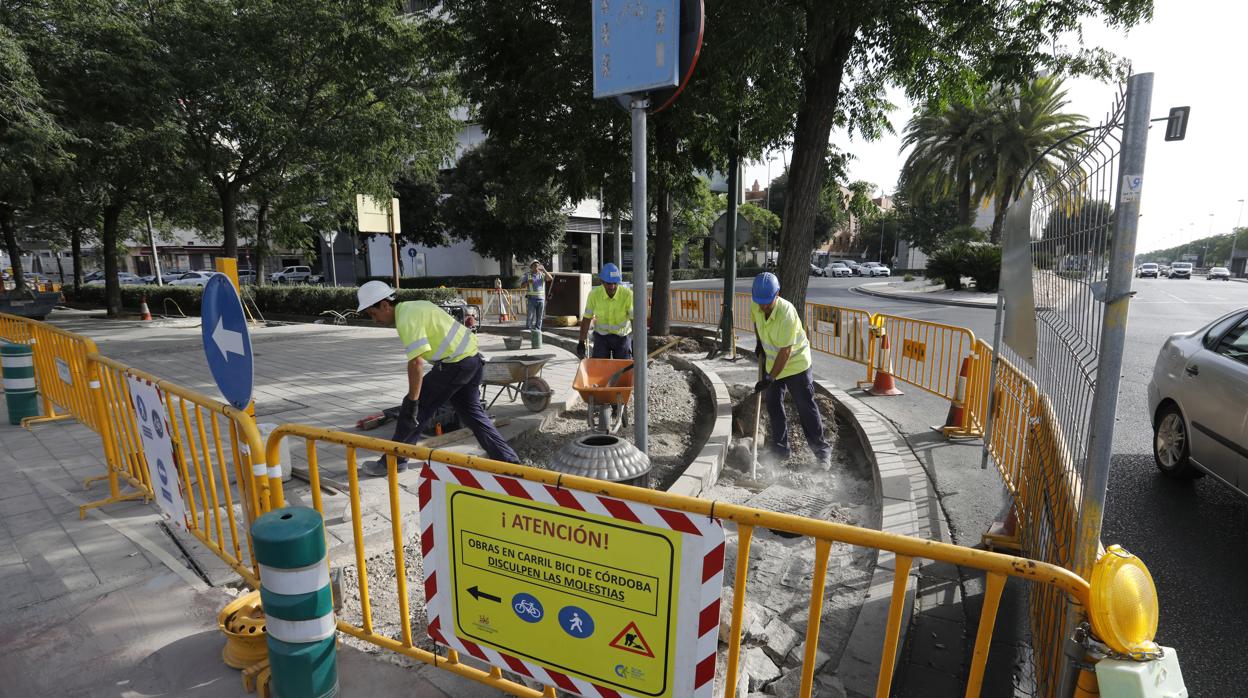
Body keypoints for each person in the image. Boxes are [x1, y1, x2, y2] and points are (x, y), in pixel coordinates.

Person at [356, 281, 520, 476]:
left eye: (373, 314)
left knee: (413, 411)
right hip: (472, 361)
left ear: (384, 305)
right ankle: (510, 462)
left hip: (455, 365)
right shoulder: (416, 306)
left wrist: (413, 400)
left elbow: (416, 363)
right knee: (472, 415)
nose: (375, 320)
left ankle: (393, 461)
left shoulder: (406, 317)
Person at [749, 272, 831, 467]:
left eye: (766, 302)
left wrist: (770, 378)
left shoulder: (787, 313)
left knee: (805, 407)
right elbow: (756, 321)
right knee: (773, 406)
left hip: (796, 365)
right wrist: (759, 342)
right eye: (760, 302)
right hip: (773, 365)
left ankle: (822, 453)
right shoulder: (756, 303)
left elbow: (785, 352)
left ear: (777, 294)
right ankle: (780, 451)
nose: (763, 306)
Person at [576, 263, 633, 360]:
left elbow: (634, 320)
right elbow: (586, 319)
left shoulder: (627, 294)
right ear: (602, 282)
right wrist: (581, 342)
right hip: (601, 337)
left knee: (623, 369)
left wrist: (636, 343)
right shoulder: (594, 295)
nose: (612, 286)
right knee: (599, 368)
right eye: (609, 283)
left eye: (615, 283)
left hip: (622, 337)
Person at [518, 260, 553, 331]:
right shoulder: (528, 275)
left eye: (537, 265)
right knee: (530, 316)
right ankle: (528, 330)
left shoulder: (542, 274)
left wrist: (544, 270)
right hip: (531, 299)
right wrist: (527, 282)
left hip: (541, 299)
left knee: (539, 317)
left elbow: (550, 278)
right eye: (534, 265)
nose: (536, 267)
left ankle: (538, 330)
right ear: (531, 267)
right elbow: (521, 286)